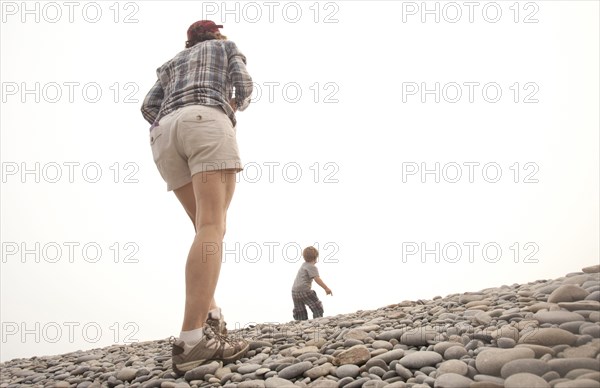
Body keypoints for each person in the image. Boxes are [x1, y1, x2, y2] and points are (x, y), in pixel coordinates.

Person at [140, 20, 253, 374]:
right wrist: (234, 105)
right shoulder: (225, 47)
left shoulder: (172, 63)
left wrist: (171, 118)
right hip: (204, 119)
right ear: (216, 35)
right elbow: (245, 85)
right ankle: (192, 341)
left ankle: (212, 316)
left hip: (163, 134)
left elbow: (147, 106)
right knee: (212, 226)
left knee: (204, 229)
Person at [291, 246, 332, 320]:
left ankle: (300, 322)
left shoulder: (304, 265)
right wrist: (326, 288)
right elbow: (316, 279)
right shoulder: (312, 267)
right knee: (316, 306)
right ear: (315, 257)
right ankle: (318, 320)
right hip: (304, 291)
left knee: (300, 310)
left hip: (294, 292)